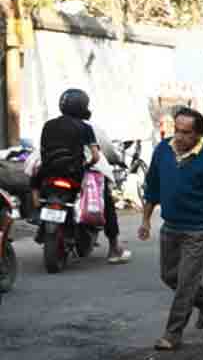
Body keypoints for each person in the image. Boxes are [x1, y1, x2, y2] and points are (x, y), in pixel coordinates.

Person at [138, 107, 203, 351]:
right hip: (172, 226)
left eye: (186, 133)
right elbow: (153, 187)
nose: (179, 137)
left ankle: (173, 334)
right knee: (169, 275)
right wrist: (145, 220)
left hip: (199, 230)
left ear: (198, 136)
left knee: (185, 282)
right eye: (176, 130)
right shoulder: (163, 150)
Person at [32, 88, 130, 263]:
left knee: (35, 185)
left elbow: (43, 151)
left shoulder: (48, 125)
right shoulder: (87, 127)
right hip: (74, 173)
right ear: (83, 106)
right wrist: (89, 165)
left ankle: (38, 215)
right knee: (104, 199)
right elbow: (97, 155)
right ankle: (114, 247)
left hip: (47, 174)